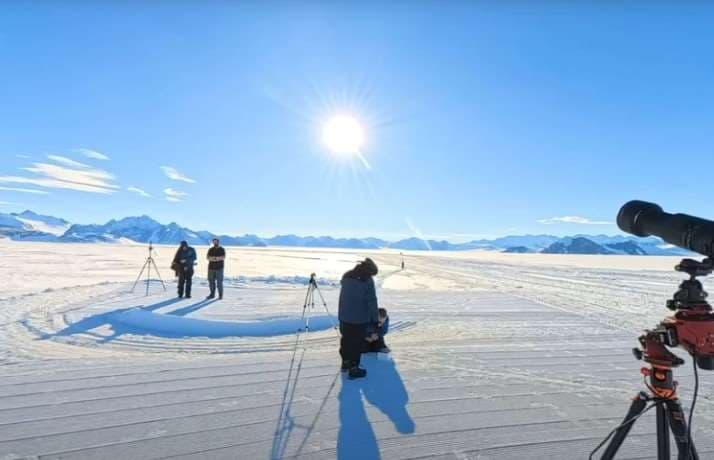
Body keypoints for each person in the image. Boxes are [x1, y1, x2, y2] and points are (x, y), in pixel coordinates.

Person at [338, 257, 379, 380]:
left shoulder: (347, 275)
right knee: (356, 343)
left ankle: (345, 362)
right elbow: (372, 301)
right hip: (359, 318)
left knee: (346, 339)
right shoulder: (367, 280)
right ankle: (354, 368)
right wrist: (375, 319)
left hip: (344, 315)